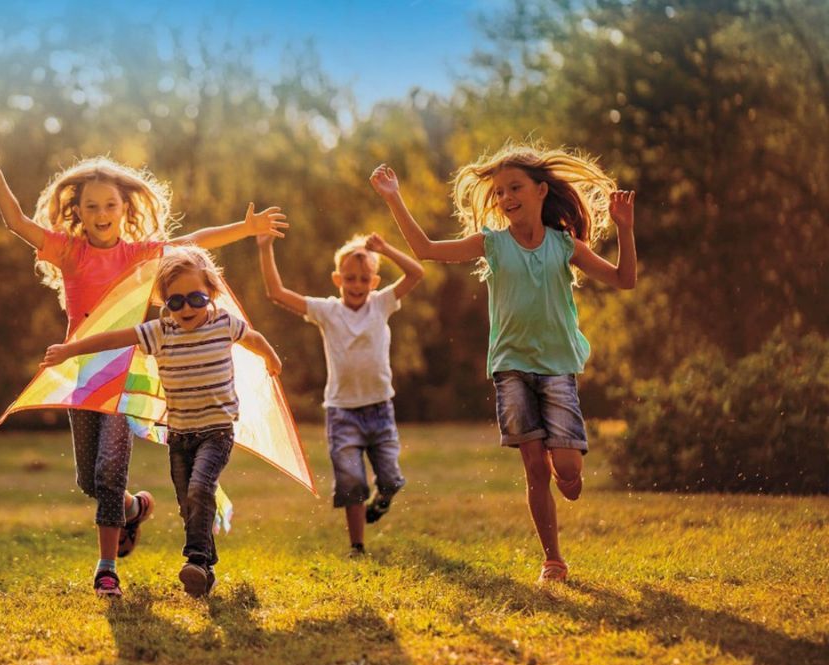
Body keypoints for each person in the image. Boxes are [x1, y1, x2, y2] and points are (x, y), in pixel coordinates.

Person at [0, 136, 287, 597]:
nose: (101, 213)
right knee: (90, 481)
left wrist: (244, 226)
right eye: (91, 205)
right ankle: (134, 509)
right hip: (82, 378)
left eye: (110, 205)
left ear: (123, 207)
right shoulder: (68, 251)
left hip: (124, 376)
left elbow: (192, 242)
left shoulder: (138, 255)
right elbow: (17, 223)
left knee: (110, 471)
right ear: (78, 209)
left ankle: (107, 568)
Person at [370, 142, 636, 582]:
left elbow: (625, 280)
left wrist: (625, 229)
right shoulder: (491, 244)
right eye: (499, 192)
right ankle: (553, 559)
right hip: (511, 367)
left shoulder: (563, 245)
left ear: (541, 191)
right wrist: (393, 197)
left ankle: (566, 472)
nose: (506, 198)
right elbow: (426, 249)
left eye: (515, 187)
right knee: (535, 468)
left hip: (556, 368)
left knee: (567, 473)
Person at [42, 245, 282, 598]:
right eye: (176, 301)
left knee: (201, 489)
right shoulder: (161, 331)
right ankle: (206, 568)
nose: (187, 308)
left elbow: (255, 338)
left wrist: (271, 359)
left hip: (216, 432)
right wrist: (70, 349)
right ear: (165, 304)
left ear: (211, 294)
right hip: (180, 435)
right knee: (188, 503)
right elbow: (114, 338)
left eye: (197, 299)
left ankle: (196, 560)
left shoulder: (223, 324)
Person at [257, 231, 423, 555]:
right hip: (342, 412)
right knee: (351, 482)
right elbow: (276, 293)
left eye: (364, 279)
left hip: (380, 408)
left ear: (374, 281)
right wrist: (265, 248)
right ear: (337, 278)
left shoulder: (382, 304)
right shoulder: (327, 311)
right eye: (350, 278)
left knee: (390, 478)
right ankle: (357, 546)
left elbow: (416, 273)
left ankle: (384, 498)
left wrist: (386, 248)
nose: (357, 285)